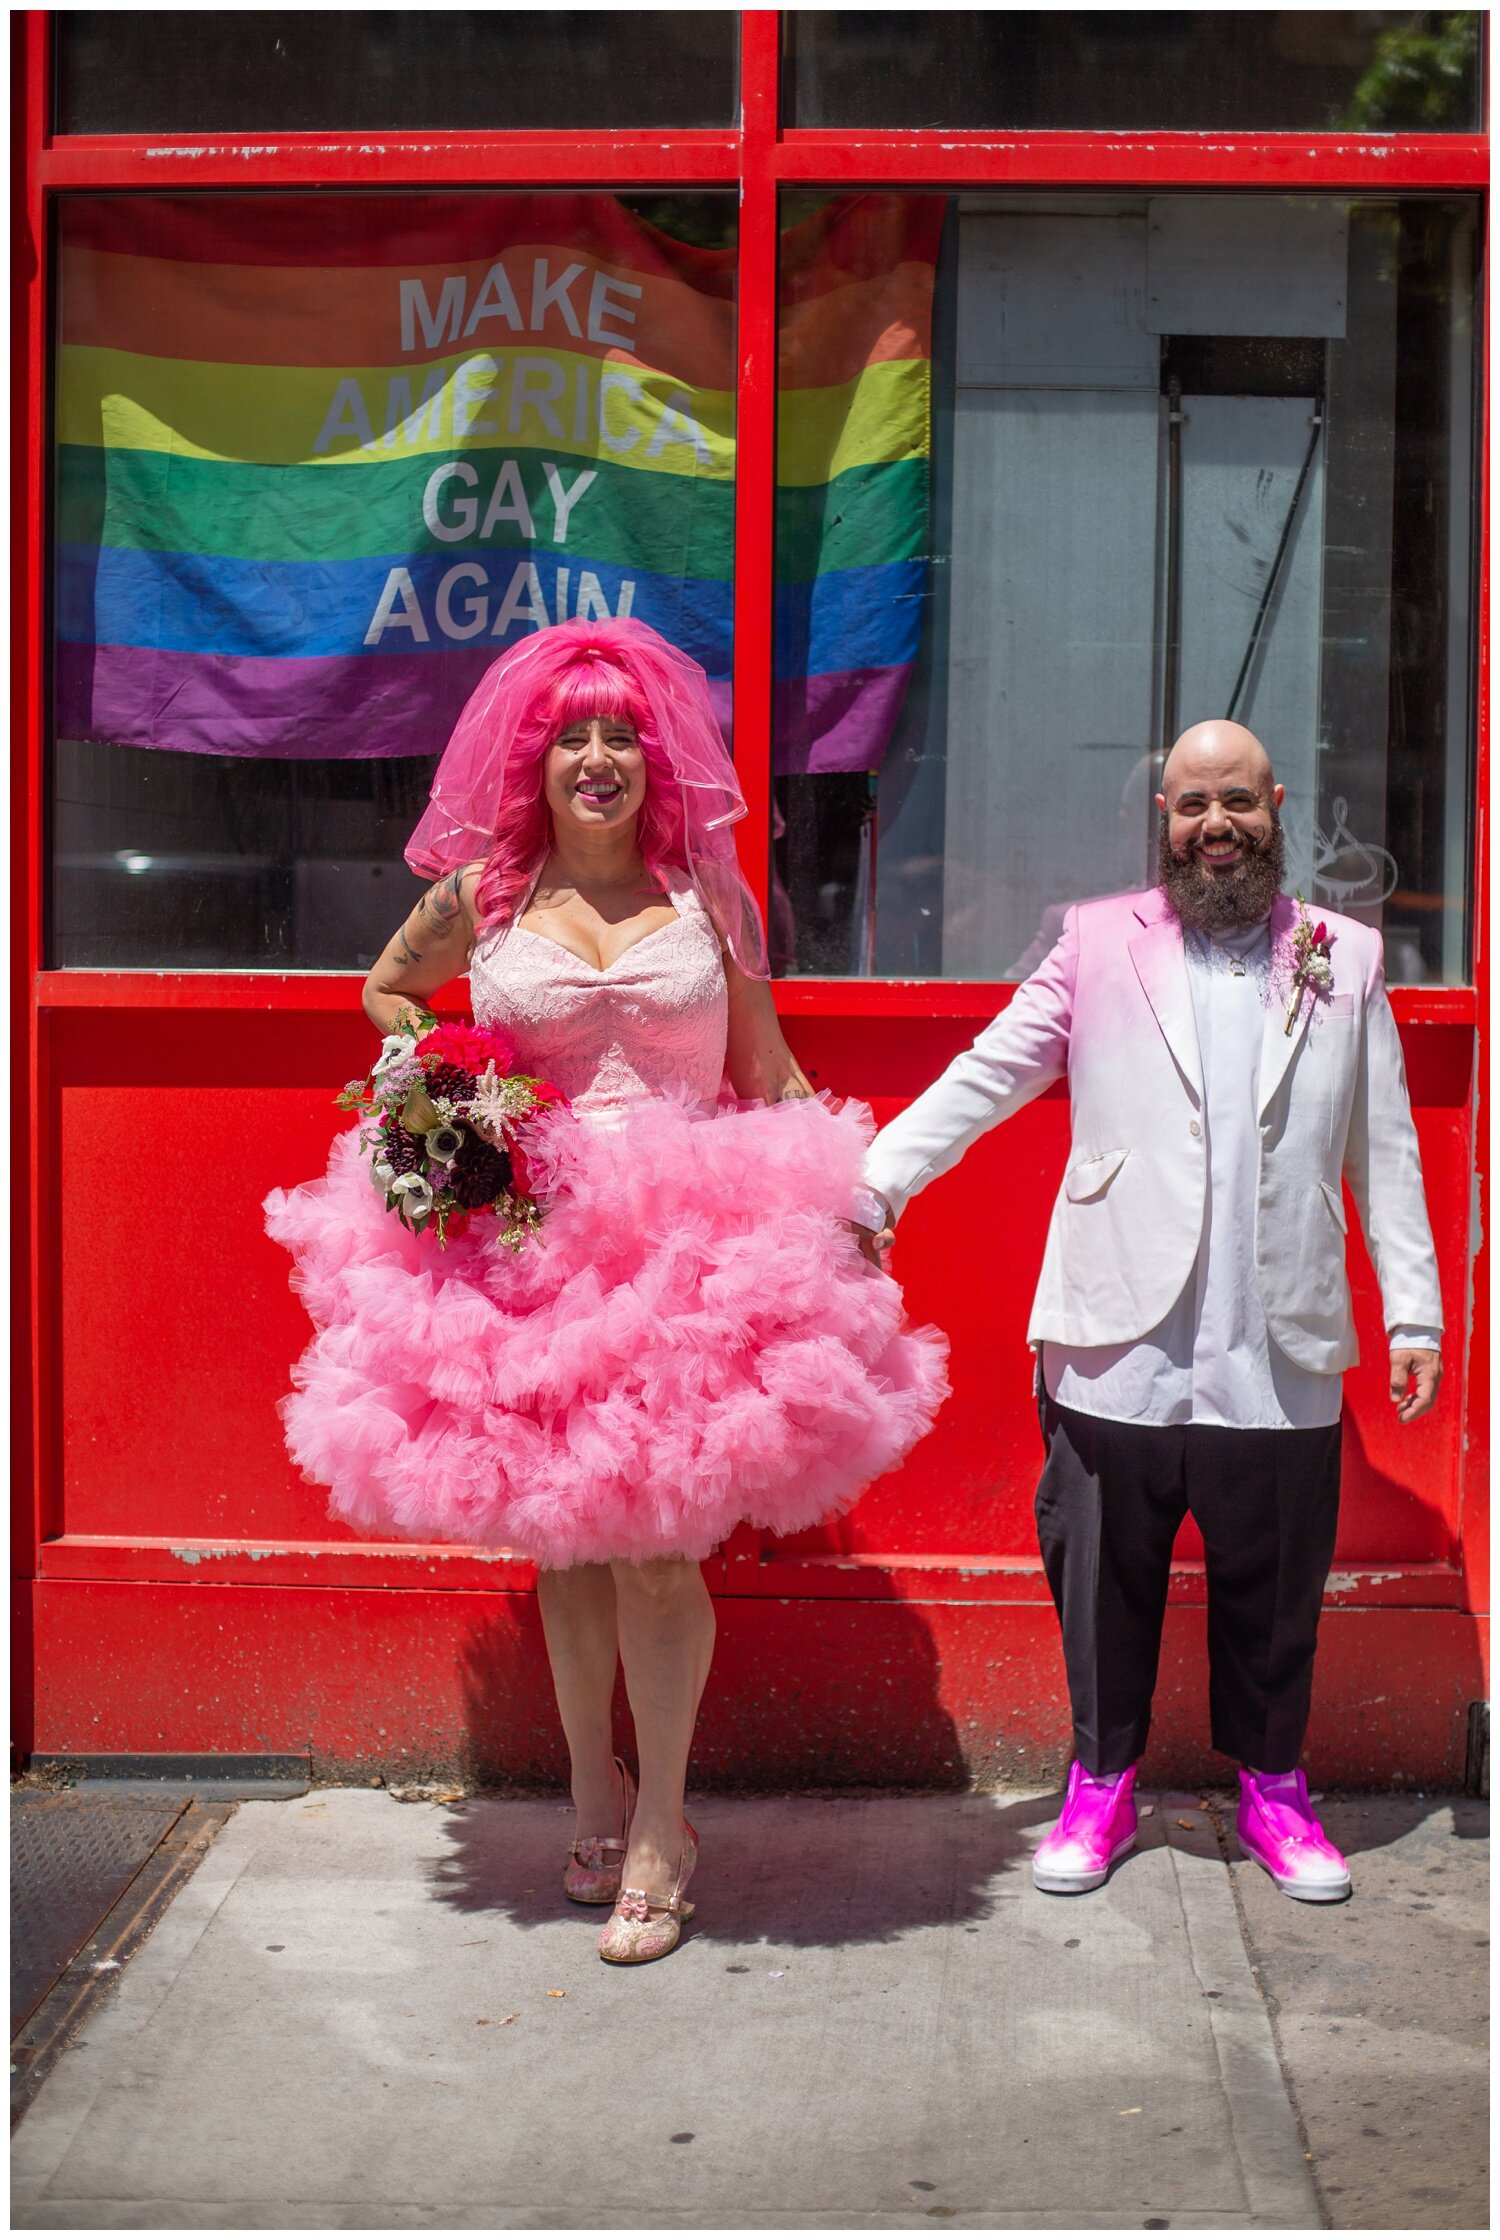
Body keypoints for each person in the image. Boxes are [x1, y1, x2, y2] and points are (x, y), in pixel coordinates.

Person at [266, 619, 947, 1964]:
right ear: (536, 759)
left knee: (654, 1552)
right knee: (569, 1550)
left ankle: (664, 1831)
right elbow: (383, 990)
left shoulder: (714, 899)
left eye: (620, 735)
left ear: (655, 759)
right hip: (529, 1247)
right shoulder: (481, 897)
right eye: (572, 736)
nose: (596, 757)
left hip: (688, 1257)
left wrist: (854, 1195)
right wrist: (447, 1071)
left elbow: (771, 1069)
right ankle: (594, 1796)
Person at [859, 720, 1442, 1904]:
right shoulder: (1093, 943)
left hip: (1278, 1336)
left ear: (1276, 804)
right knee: (1100, 1572)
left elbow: (1386, 1149)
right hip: (1118, 1328)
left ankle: (1275, 1789)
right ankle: (1100, 1780)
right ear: (1163, 817)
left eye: (1237, 801)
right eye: (1191, 806)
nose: (1214, 825)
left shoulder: (1346, 954)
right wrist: (879, 1176)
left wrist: (1415, 1312)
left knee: (1274, 1586)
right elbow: (989, 1070)